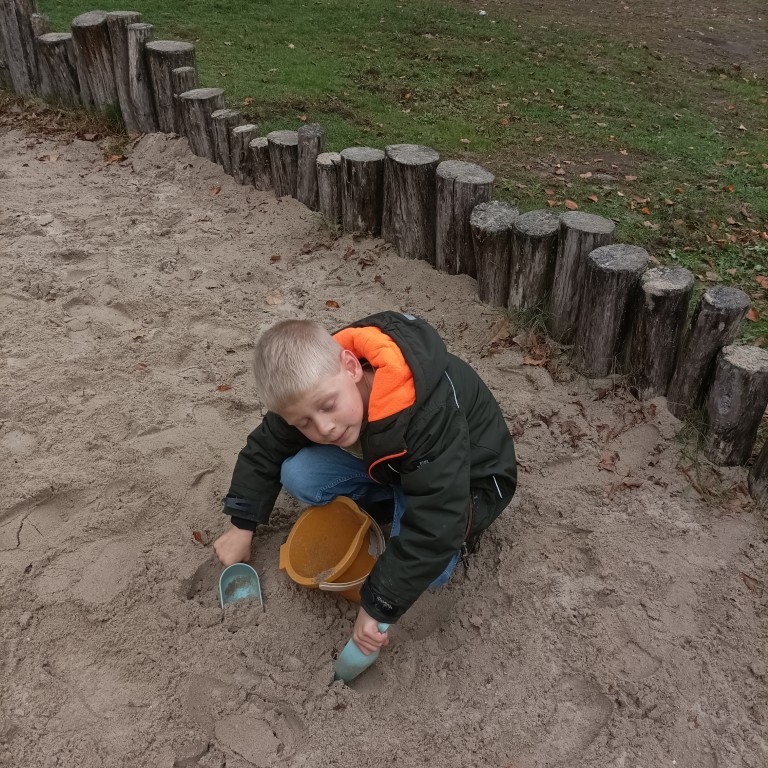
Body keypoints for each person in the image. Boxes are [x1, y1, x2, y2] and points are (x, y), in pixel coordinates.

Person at [213, 311, 517, 655]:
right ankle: (391, 500)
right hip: (396, 466)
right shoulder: (310, 384)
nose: (324, 427)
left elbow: (437, 520)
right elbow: (265, 447)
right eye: (303, 423)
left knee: (431, 571)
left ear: (351, 367)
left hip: (470, 482)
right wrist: (241, 525)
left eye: (329, 406)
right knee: (299, 475)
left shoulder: (427, 410)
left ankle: (419, 516)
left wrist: (376, 606)